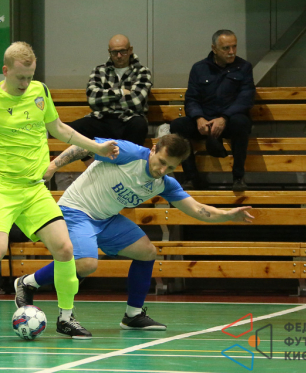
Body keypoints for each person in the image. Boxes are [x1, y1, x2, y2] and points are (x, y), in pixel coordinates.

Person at [0, 41, 119, 339]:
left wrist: (97, 147)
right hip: (0, 189)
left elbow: (60, 129)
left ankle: (66, 317)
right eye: (20, 77)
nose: (26, 83)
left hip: (34, 189)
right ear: (5, 71)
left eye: (30, 76)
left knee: (65, 249)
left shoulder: (40, 92)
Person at [14, 134, 254, 331]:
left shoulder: (164, 183)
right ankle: (28, 283)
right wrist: (54, 165)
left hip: (107, 219)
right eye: (161, 161)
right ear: (153, 149)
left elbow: (197, 209)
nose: (162, 169)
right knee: (86, 264)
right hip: (76, 210)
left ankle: (133, 315)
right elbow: (84, 146)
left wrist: (227, 215)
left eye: (170, 167)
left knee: (147, 252)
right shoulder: (128, 153)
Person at [55, 34, 152, 190]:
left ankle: (127, 175)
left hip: (129, 120)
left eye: (123, 51)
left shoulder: (142, 71)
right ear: (109, 52)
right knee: (73, 128)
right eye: (114, 52)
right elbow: (93, 99)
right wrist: (121, 92)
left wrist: (106, 97)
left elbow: (136, 102)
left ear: (130, 50)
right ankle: (93, 167)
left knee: (139, 125)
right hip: (102, 119)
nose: (119, 56)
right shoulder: (99, 70)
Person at [170, 29, 255, 192]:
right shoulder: (199, 68)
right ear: (214, 49)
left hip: (230, 121)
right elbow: (191, 99)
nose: (231, 52)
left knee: (241, 122)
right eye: (226, 48)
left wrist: (224, 118)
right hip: (205, 121)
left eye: (234, 47)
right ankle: (192, 178)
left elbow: (246, 98)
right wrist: (198, 118)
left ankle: (238, 177)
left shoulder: (244, 67)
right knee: (178, 126)